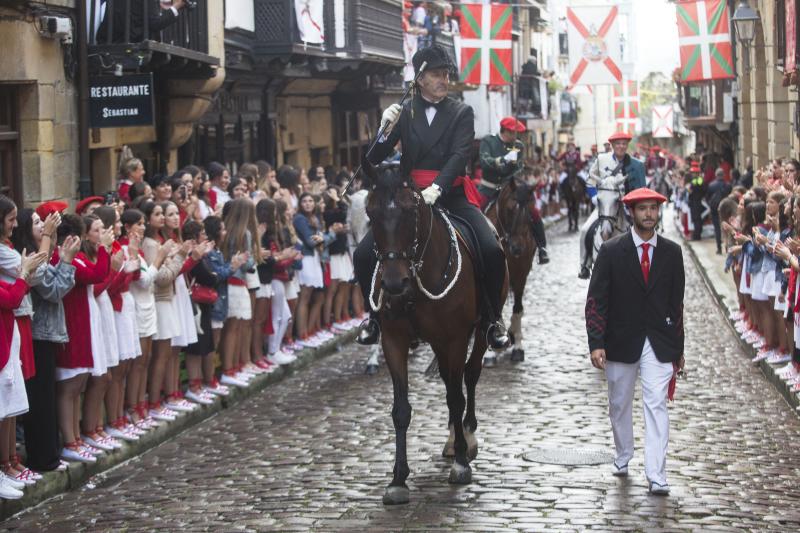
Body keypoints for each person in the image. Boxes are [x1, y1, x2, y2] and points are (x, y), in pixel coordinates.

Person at [353, 43, 510, 350]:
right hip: (410, 200)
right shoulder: (406, 112)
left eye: (446, 74)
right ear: (420, 78)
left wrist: (438, 186)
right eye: (437, 74)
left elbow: (459, 154)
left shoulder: (462, 111)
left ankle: (493, 318)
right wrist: (386, 128)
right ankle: (372, 317)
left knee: (491, 249)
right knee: (362, 254)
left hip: (449, 193)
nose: (444, 79)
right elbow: (373, 157)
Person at [585, 187, 685, 496]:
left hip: (659, 341)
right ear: (631, 212)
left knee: (656, 404)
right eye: (643, 209)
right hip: (619, 340)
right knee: (619, 403)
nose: (649, 215)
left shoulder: (672, 252)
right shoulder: (612, 251)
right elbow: (596, 301)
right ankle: (623, 453)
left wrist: (678, 348)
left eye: (653, 209)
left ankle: (657, 474)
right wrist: (596, 342)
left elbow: (676, 304)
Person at [478, 116, 549, 264]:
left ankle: (542, 247)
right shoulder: (488, 141)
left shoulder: (518, 146)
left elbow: (518, 168)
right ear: (506, 131)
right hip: (489, 188)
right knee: (476, 212)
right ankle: (475, 248)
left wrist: (515, 181)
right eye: (514, 132)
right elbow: (484, 162)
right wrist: (501, 161)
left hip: (509, 188)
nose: (516, 136)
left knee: (533, 212)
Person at [578, 131, 646, 279]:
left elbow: (641, 190)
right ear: (612, 145)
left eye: (624, 144)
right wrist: (594, 197)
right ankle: (585, 264)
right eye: (618, 144)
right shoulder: (601, 159)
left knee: (644, 231)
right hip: (604, 206)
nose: (621, 146)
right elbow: (590, 181)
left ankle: (644, 265)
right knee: (584, 230)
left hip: (626, 208)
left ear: (627, 145)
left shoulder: (635, 165)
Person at [706, 168, 732, 254]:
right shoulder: (728, 185)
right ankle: (728, 247)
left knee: (717, 228)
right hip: (726, 209)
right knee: (727, 228)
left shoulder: (711, 185)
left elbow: (707, 198)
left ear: (716, 175)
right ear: (723, 175)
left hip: (714, 209)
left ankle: (719, 248)